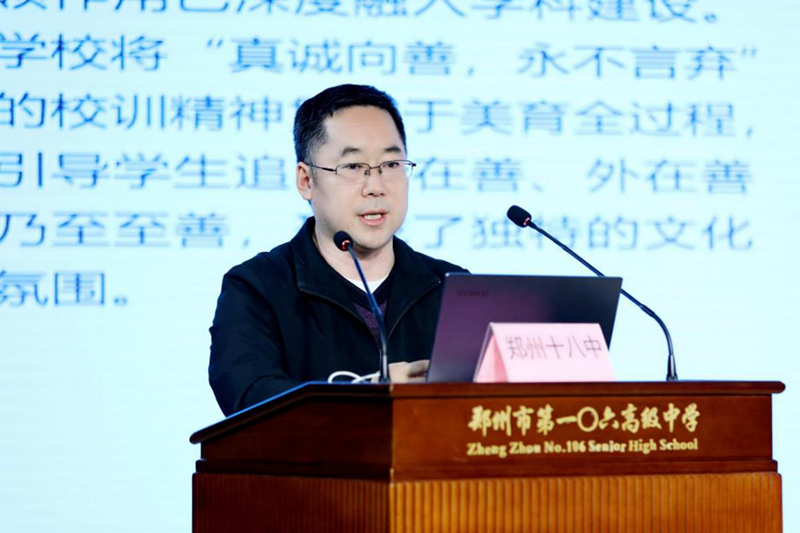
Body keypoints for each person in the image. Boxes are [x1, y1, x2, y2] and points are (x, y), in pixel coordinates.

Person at [208, 84, 467, 416]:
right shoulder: (257, 288)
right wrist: (371, 392)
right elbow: (250, 401)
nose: (376, 186)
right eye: (353, 166)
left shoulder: (452, 287)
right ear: (306, 181)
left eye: (391, 164)